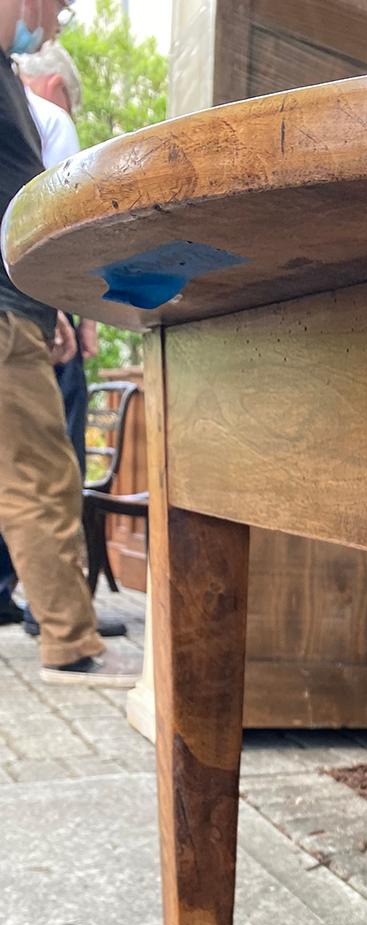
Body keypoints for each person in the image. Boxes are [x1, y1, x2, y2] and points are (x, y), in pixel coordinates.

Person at [0, 0, 139, 685]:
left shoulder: (7, 76)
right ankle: (71, 642)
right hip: (2, 322)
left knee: (35, 476)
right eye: (57, 6)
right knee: (40, 481)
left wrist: (44, 304)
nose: (56, 20)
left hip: (18, 311)